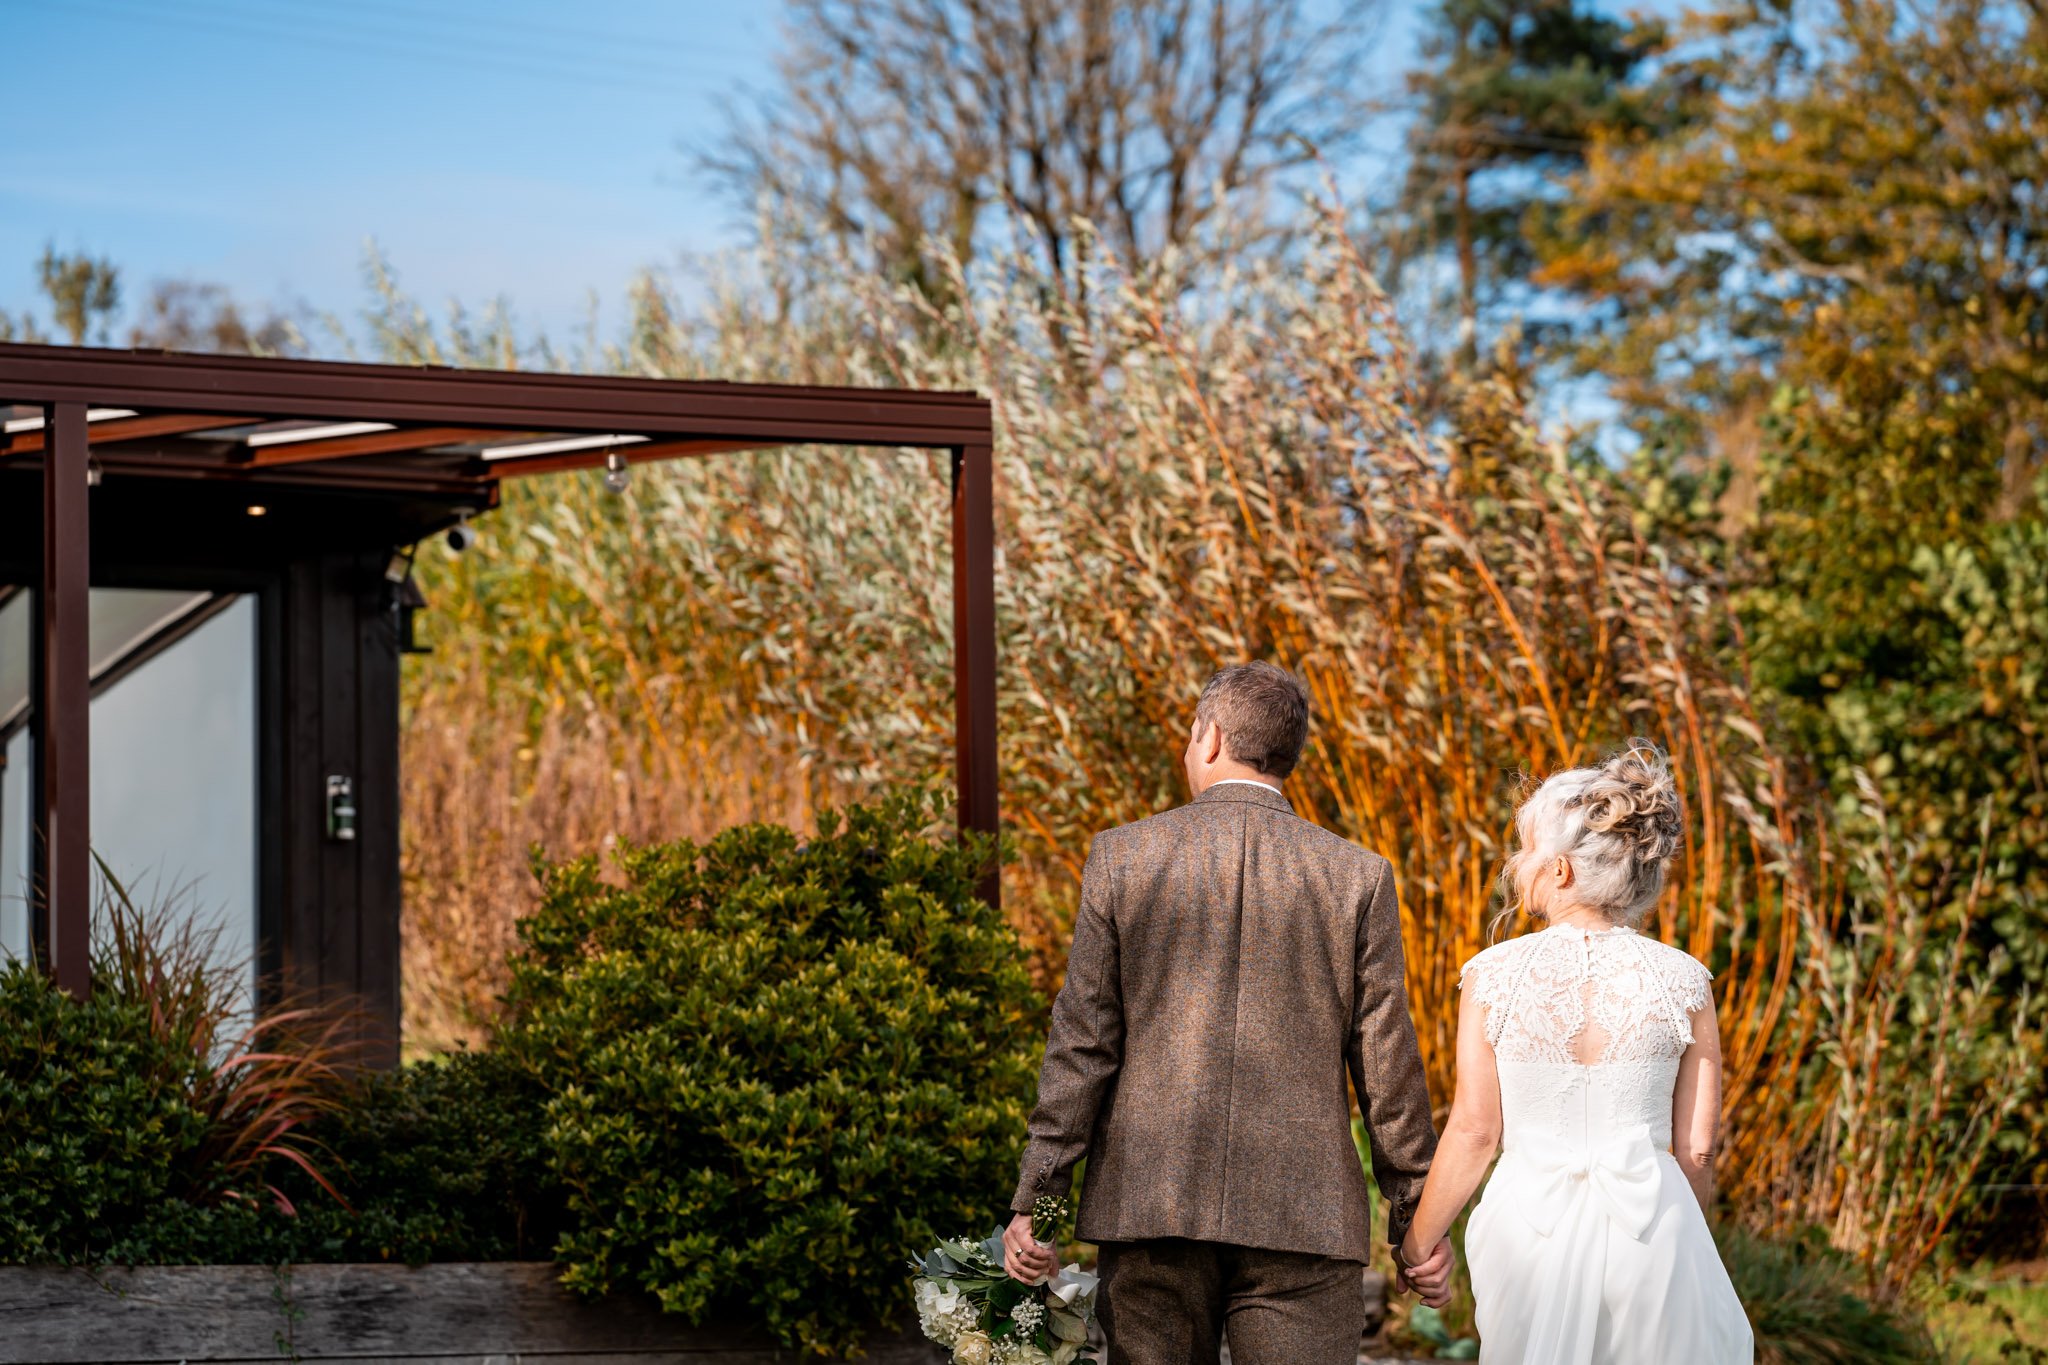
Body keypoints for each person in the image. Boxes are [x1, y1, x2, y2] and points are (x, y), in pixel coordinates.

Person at [1001, 662, 1447, 1365]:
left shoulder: (1124, 857)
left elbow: (1081, 1049)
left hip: (1152, 1206)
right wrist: (1416, 1225)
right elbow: (1388, 1067)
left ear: (1208, 739)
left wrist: (1041, 1206)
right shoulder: (1357, 875)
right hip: (1303, 1217)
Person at [1397, 740, 1753, 1364]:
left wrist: (1419, 1244)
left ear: (1560, 872)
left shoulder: (1493, 975)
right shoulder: (1686, 980)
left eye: (1528, 848)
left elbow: (1477, 1131)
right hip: (1654, 1227)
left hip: (1528, 1232)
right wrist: (1687, 1240)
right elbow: (1697, 1147)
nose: (1518, 863)